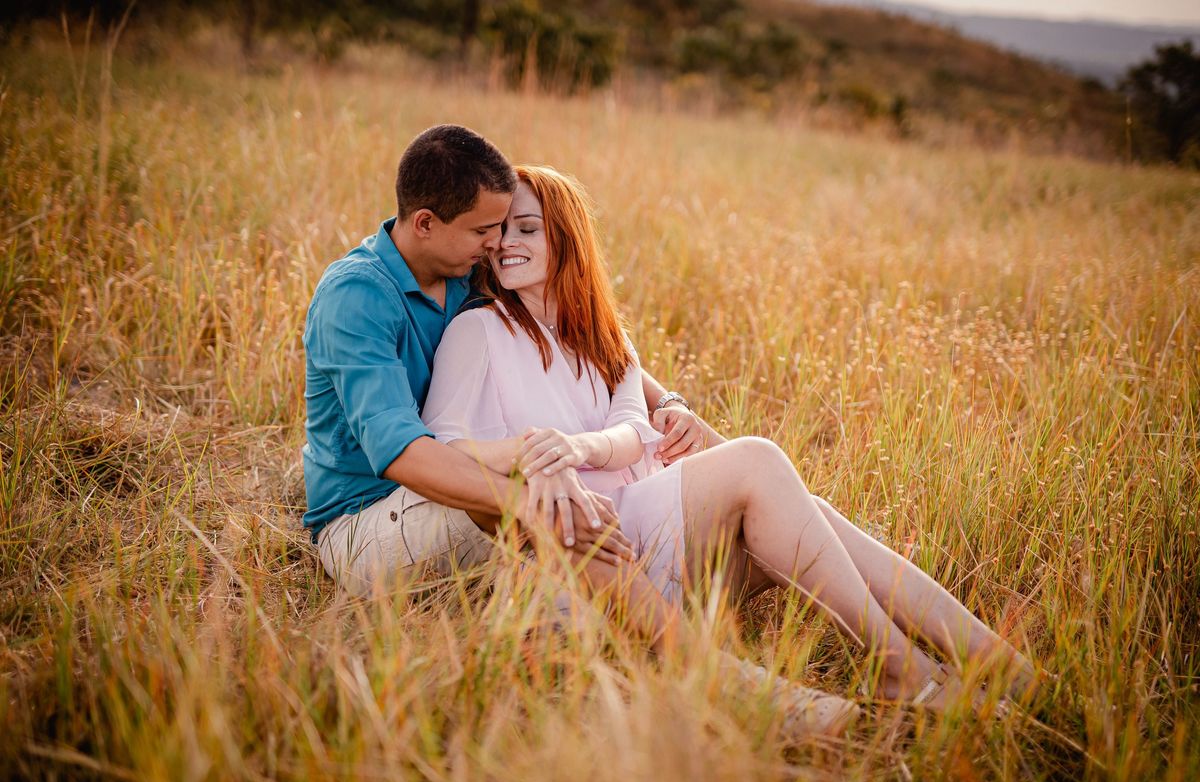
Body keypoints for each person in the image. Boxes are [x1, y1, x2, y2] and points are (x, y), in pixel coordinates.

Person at [420, 164, 1038, 714]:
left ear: (567, 236)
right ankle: (903, 668)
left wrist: (581, 447)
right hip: (588, 555)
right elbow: (442, 448)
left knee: (814, 515)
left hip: (652, 542)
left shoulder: (605, 339)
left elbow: (637, 429)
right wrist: (533, 449)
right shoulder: (480, 331)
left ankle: (999, 662)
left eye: (527, 228)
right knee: (757, 460)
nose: (506, 245)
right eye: (501, 232)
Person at [302, 125, 856, 738]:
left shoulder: (458, 266)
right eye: (486, 230)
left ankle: (599, 628)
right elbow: (404, 455)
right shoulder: (355, 298)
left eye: (504, 228)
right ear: (426, 222)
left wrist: (662, 399)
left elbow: (578, 331)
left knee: (563, 503)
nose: (496, 243)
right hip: (367, 521)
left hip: (447, 495)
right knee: (547, 497)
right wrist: (530, 492)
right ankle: (722, 679)